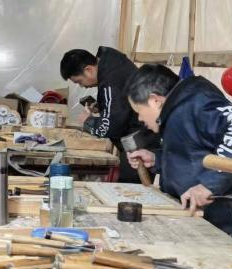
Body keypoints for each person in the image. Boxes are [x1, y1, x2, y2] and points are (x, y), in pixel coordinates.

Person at [125, 63, 232, 247]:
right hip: (210, 225)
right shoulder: (178, 110)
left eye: (139, 111)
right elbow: (194, 153)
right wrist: (158, 159)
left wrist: (209, 184)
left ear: (155, 100)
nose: (140, 119)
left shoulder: (197, 102)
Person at [60, 47, 159, 182]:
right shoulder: (111, 62)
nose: (82, 86)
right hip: (141, 136)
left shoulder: (111, 81)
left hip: (139, 142)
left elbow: (110, 127)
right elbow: (122, 103)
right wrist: (103, 107)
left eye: (79, 81)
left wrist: (88, 121)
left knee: (129, 189)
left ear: (88, 70)